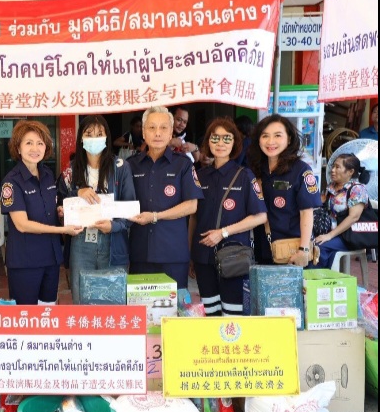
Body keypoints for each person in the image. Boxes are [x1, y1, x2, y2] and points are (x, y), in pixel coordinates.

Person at [189, 118, 267, 316]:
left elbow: (260, 216)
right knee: (210, 313)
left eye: (227, 138)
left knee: (233, 317)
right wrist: (191, 254)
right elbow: (194, 218)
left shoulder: (245, 175)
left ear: (235, 143)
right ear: (208, 142)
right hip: (203, 256)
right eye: (215, 138)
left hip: (234, 257)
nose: (220, 143)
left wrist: (223, 232)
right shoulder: (200, 176)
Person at [0, 120, 83, 305]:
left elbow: (47, 209)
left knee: (48, 309)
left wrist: (59, 211)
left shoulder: (47, 175)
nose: (35, 148)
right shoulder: (11, 182)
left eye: (40, 143)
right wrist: (62, 230)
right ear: (18, 147)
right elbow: (22, 224)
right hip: (25, 261)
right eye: (28, 143)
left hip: (50, 258)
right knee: (26, 314)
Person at [57, 115, 136, 305]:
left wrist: (113, 226)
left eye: (99, 134)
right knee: (82, 300)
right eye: (89, 134)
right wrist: (74, 196)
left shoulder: (121, 167)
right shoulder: (70, 171)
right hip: (80, 243)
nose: (94, 138)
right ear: (81, 138)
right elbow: (60, 205)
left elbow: (130, 209)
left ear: (107, 137)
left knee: (113, 300)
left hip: (112, 242)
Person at [127, 106, 204, 289]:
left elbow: (191, 205)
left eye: (163, 128)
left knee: (175, 305)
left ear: (171, 133)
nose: (157, 133)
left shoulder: (183, 165)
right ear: (143, 132)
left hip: (173, 254)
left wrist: (155, 216)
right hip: (139, 253)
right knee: (141, 305)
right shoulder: (130, 166)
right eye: (152, 127)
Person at [249, 114, 321, 267]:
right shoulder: (257, 169)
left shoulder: (301, 170)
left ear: (289, 139)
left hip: (292, 250)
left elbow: (306, 212)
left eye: (277, 135)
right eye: (265, 136)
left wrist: (303, 250)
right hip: (263, 247)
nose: (270, 142)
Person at [314, 154, 371, 268]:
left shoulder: (357, 189)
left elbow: (353, 217)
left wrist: (329, 236)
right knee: (308, 243)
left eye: (337, 167)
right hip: (332, 232)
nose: (332, 170)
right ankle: (327, 275)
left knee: (319, 247)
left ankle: (317, 276)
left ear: (350, 172)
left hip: (349, 236)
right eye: (333, 166)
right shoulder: (331, 187)